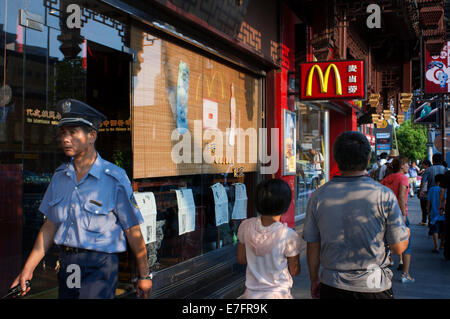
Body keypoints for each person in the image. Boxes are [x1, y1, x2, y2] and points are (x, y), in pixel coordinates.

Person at [10, 99, 152, 299]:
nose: (66, 139)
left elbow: (132, 229)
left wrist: (144, 275)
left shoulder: (114, 178)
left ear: (92, 135)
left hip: (100, 266)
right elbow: (50, 225)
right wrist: (28, 268)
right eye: (63, 133)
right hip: (69, 263)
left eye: (73, 132)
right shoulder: (60, 176)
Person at [303, 131, 410, 299]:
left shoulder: (318, 196)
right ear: (368, 160)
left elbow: (313, 245)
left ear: (336, 160)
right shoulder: (384, 195)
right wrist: (406, 235)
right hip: (374, 286)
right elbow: (398, 248)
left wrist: (314, 279)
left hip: (332, 285)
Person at [237, 179, 301, 299]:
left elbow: (241, 259)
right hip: (279, 294)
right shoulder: (288, 235)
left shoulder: (245, 226)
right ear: (286, 205)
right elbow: (294, 270)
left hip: (251, 294)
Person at [381, 156, 414, 283]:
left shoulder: (387, 178)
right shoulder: (403, 178)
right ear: (402, 165)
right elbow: (401, 196)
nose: (408, 167)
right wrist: (403, 214)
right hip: (399, 214)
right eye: (407, 165)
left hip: (385, 213)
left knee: (385, 243)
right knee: (406, 244)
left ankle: (382, 270)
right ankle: (406, 274)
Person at [427, 174, 446, 253]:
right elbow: (445, 200)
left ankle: (436, 246)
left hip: (434, 213)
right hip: (443, 214)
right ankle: (441, 244)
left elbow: (428, 202)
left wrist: (428, 211)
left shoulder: (431, 189)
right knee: (443, 231)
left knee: (435, 230)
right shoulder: (445, 189)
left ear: (435, 181)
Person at [419, 159, 432, 226]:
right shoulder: (430, 170)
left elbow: (423, 182)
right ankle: (429, 221)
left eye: (423, 164)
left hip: (425, 192)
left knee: (424, 207)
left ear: (426, 164)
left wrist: (420, 191)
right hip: (428, 191)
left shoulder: (427, 171)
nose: (422, 165)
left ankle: (424, 221)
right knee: (428, 207)